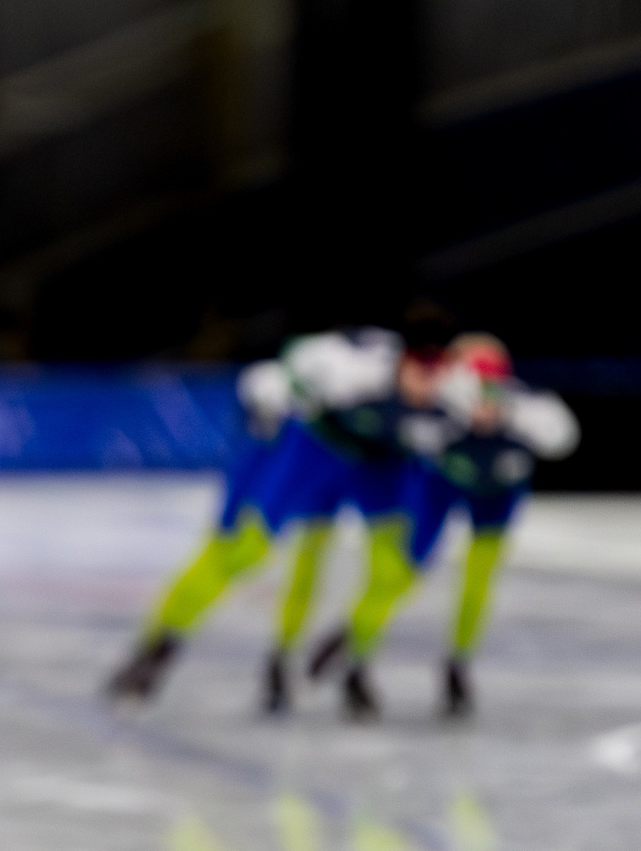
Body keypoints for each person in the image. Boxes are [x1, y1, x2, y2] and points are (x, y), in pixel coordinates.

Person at [105, 308, 456, 713]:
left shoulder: (450, 394)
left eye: (439, 370)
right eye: (422, 368)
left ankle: (350, 652)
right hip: (314, 448)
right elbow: (281, 374)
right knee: (250, 549)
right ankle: (159, 646)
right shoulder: (349, 371)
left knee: (402, 565)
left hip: (376, 461)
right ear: (403, 360)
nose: (429, 382)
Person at [298, 334, 578, 719]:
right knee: (401, 574)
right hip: (440, 487)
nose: (485, 402)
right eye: (476, 386)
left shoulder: (532, 412)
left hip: (495, 499)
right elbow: (382, 428)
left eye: (494, 386)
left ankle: (457, 667)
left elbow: (562, 437)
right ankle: (357, 651)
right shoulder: (436, 412)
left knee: (477, 581)